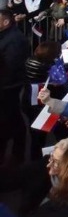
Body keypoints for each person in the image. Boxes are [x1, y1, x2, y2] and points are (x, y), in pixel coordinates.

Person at [0, 9, 29, 165]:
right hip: (7, 86)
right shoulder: (7, 36)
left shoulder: (14, 40)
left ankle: (16, 156)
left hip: (9, 87)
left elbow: (10, 66)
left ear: (6, 22)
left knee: (11, 119)